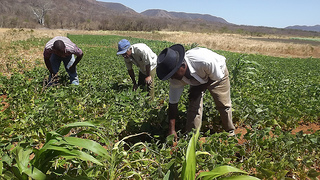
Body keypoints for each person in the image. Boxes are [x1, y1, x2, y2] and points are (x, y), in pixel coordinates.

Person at [156, 44, 236, 139]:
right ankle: (191, 136)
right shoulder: (175, 79)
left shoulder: (204, 62)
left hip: (217, 74)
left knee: (223, 103)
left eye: (173, 74)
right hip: (198, 77)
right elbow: (173, 103)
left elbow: (216, 77)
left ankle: (230, 131)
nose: (172, 77)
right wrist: (171, 129)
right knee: (194, 103)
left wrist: (199, 89)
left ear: (182, 66)